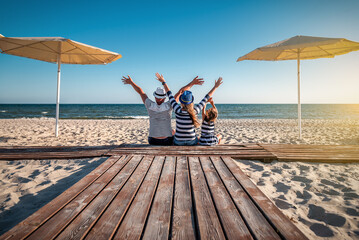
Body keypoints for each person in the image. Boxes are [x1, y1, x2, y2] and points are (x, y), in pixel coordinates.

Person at [121, 74, 204, 145]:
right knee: (174, 132)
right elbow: (181, 92)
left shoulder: (149, 105)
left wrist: (131, 82)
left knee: (173, 131)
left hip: (152, 140)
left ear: (155, 96)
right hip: (166, 141)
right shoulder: (169, 105)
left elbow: (141, 92)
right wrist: (192, 83)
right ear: (164, 98)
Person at [155, 72, 223, 146]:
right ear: (191, 102)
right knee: (197, 138)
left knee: (173, 133)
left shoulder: (177, 109)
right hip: (192, 142)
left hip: (178, 142)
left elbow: (169, 94)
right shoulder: (195, 111)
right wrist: (215, 87)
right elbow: (206, 97)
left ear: (181, 102)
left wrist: (163, 82)